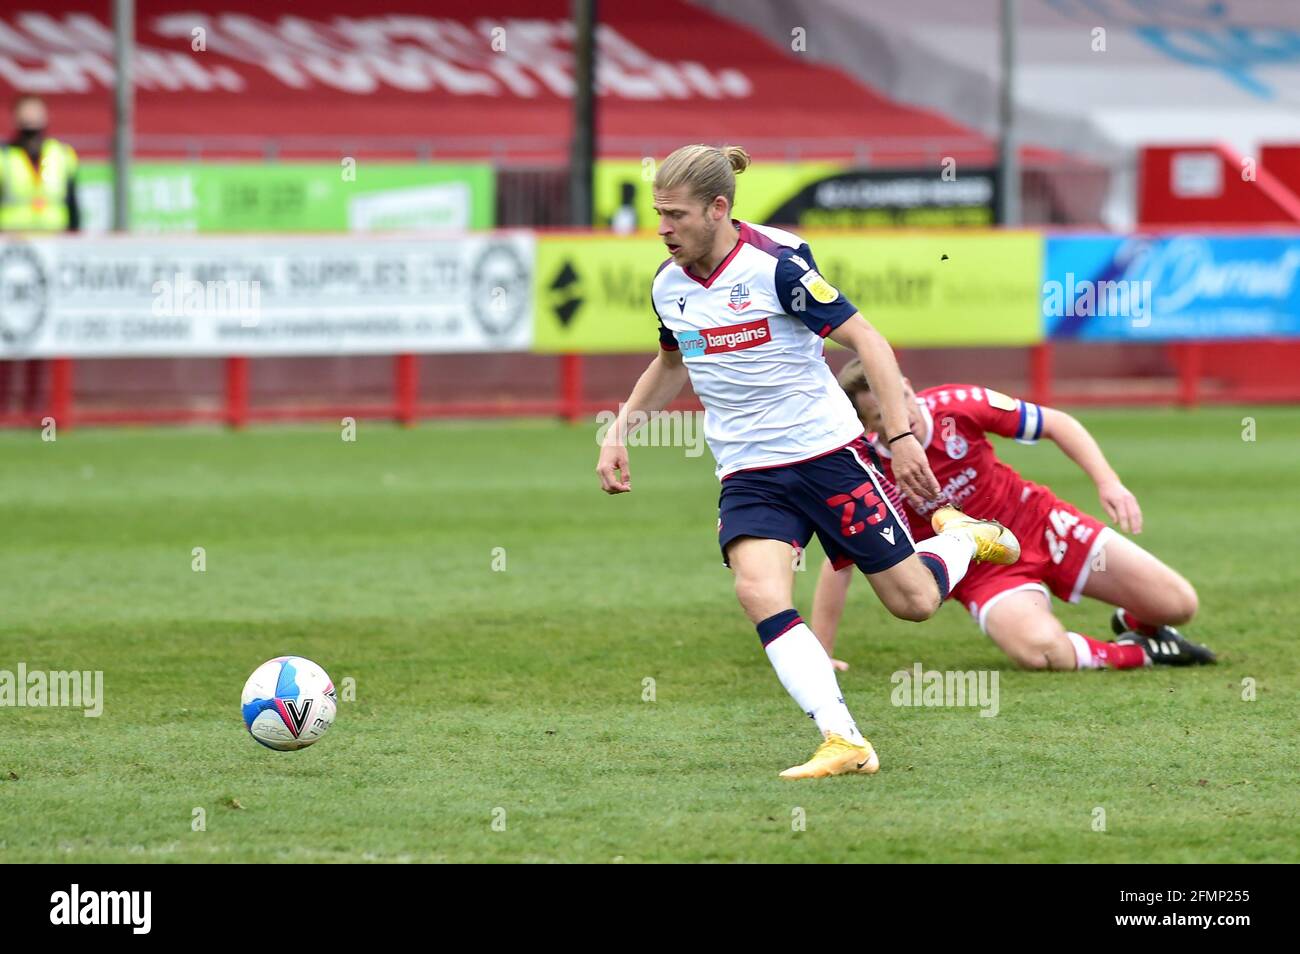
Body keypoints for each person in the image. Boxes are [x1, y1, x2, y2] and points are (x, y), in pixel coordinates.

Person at [595, 144, 1021, 779]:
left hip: (826, 456)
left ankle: (960, 538)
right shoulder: (668, 285)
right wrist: (619, 431)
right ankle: (842, 738)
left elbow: (868, 339)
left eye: (675, 215)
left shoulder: (777, 267)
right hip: (748, 472)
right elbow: (671, 362)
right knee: (757, 590)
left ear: (717, 208)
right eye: (659, 214)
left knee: (912, 603)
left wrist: (901, 436)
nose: (663, 228)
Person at [810, 360, 1216, 672]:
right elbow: (841, 561)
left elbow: (1057, 423)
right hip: (984, 571)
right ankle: (1144, 653)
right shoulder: (866, 469)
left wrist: (1108, 482)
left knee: (1178, 604)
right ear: (865, 425)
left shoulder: (959, 406)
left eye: (901, 399)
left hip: (1042, 524)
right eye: (883, 416)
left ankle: (1139, 623)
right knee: (1043, 652)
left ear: (908, 384)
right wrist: (822, 653)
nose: (903, 417)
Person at [0, 94, 80, 412]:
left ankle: (37, 404)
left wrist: (74, 242)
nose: (31, 121)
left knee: (44, 328)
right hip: (11, 256)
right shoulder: (5, 157)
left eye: (36, 114)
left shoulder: (62, 156)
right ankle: (5, 403)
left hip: (52, 252)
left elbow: (72, 205)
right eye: (26, 114)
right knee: (8, 327)